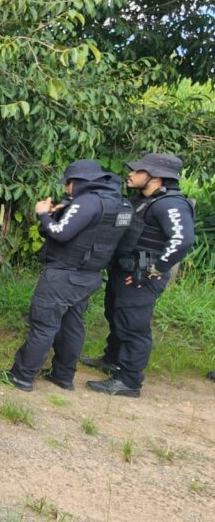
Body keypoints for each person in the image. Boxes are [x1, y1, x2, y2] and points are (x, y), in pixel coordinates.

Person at [2, 160, 133, 392]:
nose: (65, 189)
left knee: (43, 325)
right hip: (90, 275)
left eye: (68, 184)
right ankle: (63, 375)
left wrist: (43, 214)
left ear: (79, 182)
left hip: (64, 274)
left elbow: (60, 234)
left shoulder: (87, 203)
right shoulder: (120, 204)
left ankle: (21, 376)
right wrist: (59, 211)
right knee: (72, 325)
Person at [82, 153, 195, 397]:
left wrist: (154, 270)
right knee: (115, 315)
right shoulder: (146, 200)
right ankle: (112, 360)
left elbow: (183, 240)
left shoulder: (170, 204)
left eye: (138, 171)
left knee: (134, 327)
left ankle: (129, 381)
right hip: (125, 270)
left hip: (141, 276)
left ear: (155, 177)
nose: (130, 174)